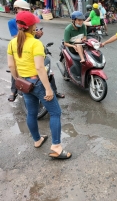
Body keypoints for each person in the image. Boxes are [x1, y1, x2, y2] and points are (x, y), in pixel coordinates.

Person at [7, 11, 72, 159]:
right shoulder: (35, 43)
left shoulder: (12, 43)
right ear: (31, 27)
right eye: (35, 24)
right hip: (37, 83)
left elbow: (11, 66)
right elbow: (39, 68)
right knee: (55, 113)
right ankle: (56, 147)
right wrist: (48, 88)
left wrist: (18, 79)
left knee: (31, 113)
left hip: (24, 84)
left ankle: (37, 140)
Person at [7, 0, 64, 102]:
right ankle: (13, 91)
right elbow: (18, 37)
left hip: (31, 48)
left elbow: (31, 37)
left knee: (48, 70)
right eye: (23, 9)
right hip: (19, 49)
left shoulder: (30, 20)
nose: (25, 11)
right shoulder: (12, 22)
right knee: (15, 68)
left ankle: (54, 90)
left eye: (26, 10)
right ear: (16, 9)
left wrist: (37, 35)